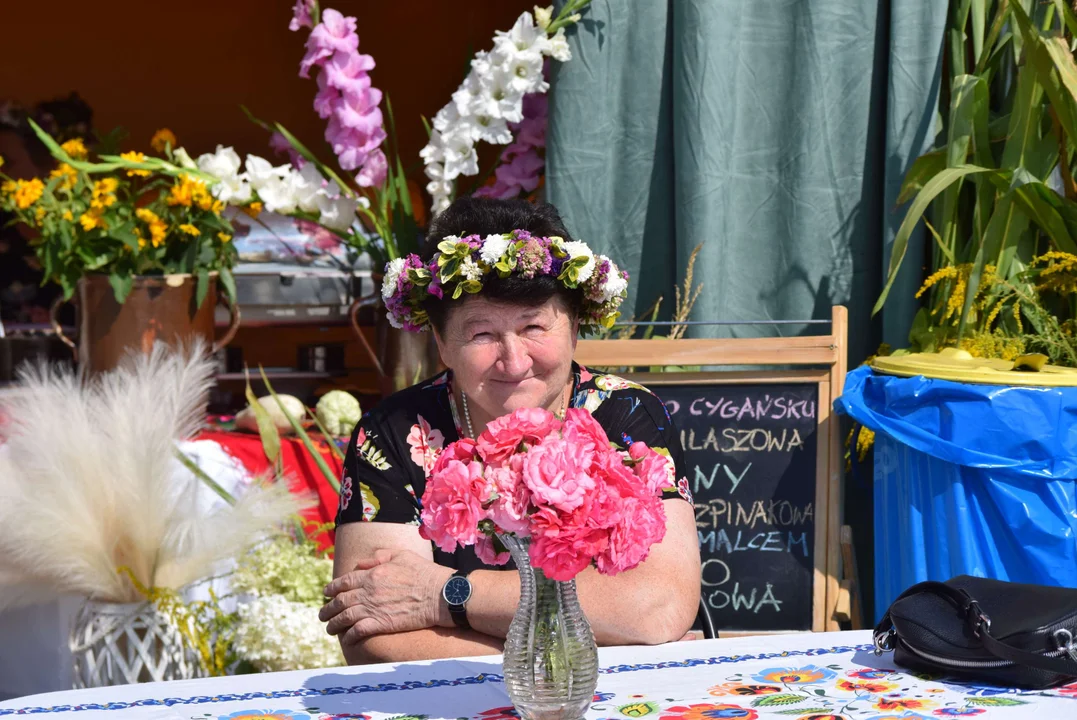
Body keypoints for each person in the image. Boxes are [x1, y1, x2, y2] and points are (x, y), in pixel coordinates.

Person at [321, 197, 702, 664]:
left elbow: (656, 607)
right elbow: (373, 634)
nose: (515, 360)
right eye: (482, 334)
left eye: (534, 326)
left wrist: (443, 595)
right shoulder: (395, 433)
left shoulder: (626, 417)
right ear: (441, 343)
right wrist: (585, 640)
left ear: (576, 326)